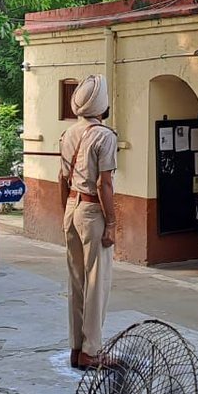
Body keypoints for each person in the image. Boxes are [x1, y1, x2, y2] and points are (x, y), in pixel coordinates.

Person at [57, 74, 118, 370]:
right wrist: (112, 223)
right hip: (93, 211)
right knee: (97, 282)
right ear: (102, 104)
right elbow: (105, 183)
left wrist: (64, 210)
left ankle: (76, 348)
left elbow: (61, 178)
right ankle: (92, 350)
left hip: (71, 206)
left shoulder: (69, 134)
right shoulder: (104, 135)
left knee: (77, 282)